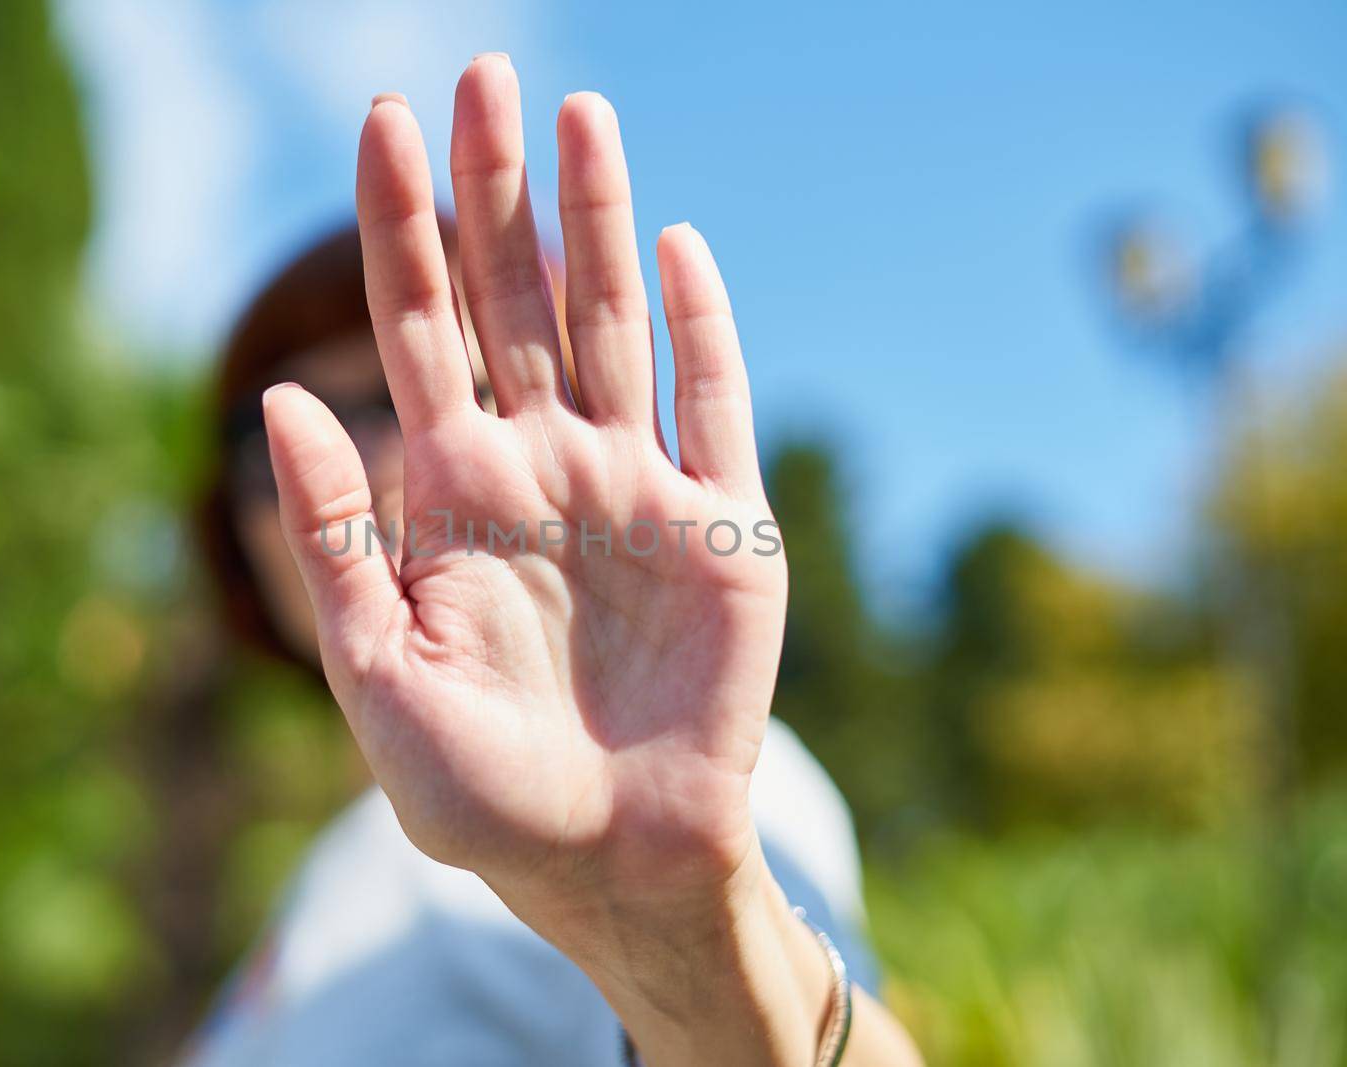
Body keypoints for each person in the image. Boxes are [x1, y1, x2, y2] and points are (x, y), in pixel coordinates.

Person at [190, 55, 924, 1066]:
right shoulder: (310, 898)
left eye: (417, 401)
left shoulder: (705, 779)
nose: (359, 467)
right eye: (283, 428)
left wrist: (678, 922)